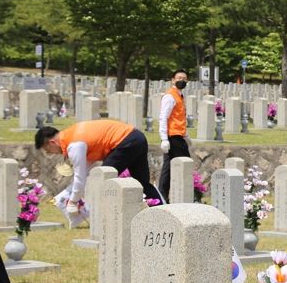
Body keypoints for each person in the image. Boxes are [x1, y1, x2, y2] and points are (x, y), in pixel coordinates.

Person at [34, 120, 163, 214]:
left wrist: (73, 202)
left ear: (51, 143)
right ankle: (161, 211)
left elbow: (80, 175)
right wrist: (70, 193)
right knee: (142, 183)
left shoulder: (74, 145)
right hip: (137, 137)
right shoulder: (72, 135)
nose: (51, 153)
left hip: (125, 141)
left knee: (104, 178)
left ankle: (110, 215)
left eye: (48, 150)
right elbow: (85, 172)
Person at [158, 68, 191, 203]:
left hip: (179, 136)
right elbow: (163, 117)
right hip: (173, 137)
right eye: (179, 78)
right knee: (185, 165)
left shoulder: (179, 96)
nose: (181, 81)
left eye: (184, 79)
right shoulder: (170, 96)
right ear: (173, 80)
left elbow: (179, 118)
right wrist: (164, 138)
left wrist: (186, 135)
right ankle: (176, 196)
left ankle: (162, 196)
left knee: (169, 167)